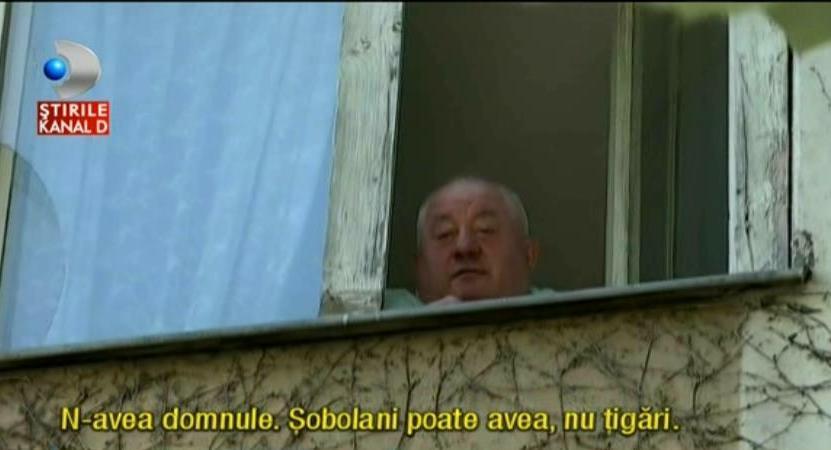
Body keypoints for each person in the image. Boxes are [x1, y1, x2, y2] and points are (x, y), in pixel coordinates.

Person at [385, 176, 551, 309]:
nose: (465, 247)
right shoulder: (380, 313)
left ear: (528, 255)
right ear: (418, 266)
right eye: (445, 234)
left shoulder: (561, 319)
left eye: (485, 230)